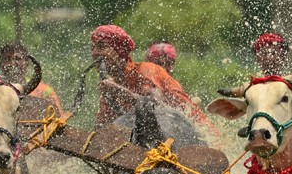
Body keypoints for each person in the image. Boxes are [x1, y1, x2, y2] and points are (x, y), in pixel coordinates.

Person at [90, 24, 218, 135]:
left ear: (120, 51)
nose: (94, 53)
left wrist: (119, 91)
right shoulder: (110, 88)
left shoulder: (145, 70)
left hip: (199, 135)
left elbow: (157, 107)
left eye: (101, 47)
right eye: (92, 48)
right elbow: (100, 129)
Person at [0, 42, 64, 116]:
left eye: (18, 59)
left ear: (26, 63)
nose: (13, 63)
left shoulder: (45, 91)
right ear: (1, 63)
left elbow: (59, 119)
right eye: (7, 59)